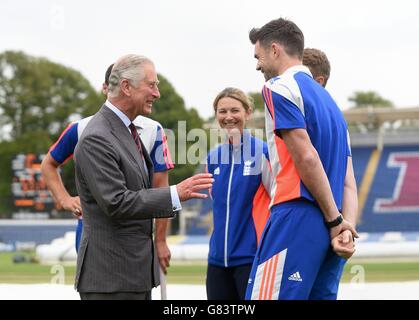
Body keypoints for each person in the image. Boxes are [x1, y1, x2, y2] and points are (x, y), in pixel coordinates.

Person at [73, 54, 213, 300]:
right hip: (111, 279)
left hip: (130, 275)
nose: (157, 93)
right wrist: (175, 193)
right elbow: (116, 202)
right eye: (152, 85)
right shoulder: (98, 136)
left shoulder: (126, 130)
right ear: (126, 87)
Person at [245, 18, 358, 300]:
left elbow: (306, 157)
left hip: (297, 214)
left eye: (258, 57)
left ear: (274, 50)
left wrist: (335, 221)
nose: (257, 65)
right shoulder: (333, 107)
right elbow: (348, 183)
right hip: (331, 225)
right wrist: (345, 227)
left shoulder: (279, 87)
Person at [41, 65, 173, 274]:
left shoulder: (154, 130)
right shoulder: (81, 128)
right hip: (93, 232)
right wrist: (65, 199)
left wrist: (161, 240)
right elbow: (48, 164)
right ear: (106, 88)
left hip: (135, 232)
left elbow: (160, 190)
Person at [206, 87, 271, 300]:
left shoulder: (263, 152)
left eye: (235, 110)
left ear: (248, 113)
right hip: (216, 262)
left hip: (251, 259)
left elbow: (277, 201)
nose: (228, 117)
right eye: (222, 111)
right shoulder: (213, 157)